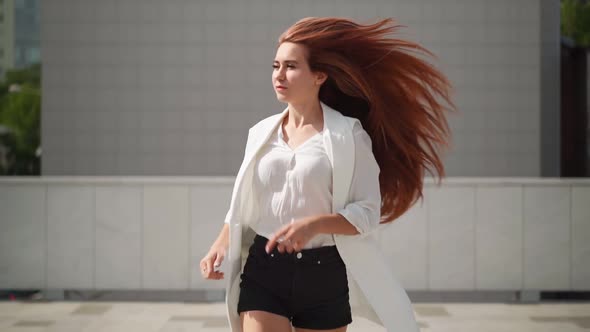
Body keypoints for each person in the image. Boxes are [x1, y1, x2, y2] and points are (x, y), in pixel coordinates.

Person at [200, 17, 454, 332]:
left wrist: (315, 225)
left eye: (291, 67)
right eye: (275, 65)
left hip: (323, 272)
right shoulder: (260, 133)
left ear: (319, 75)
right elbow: (242, 200)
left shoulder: (348, 135)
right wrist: (221, 243)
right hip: (264, 268)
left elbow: (366, 214)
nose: (279, 75)